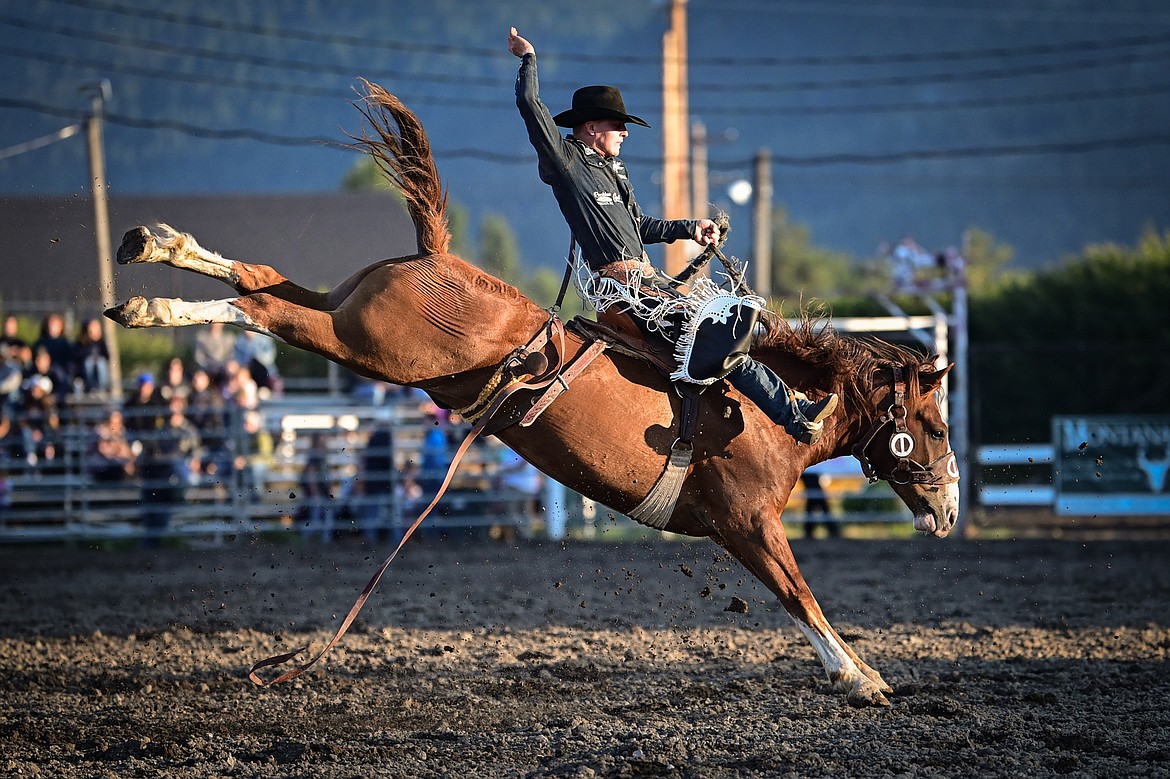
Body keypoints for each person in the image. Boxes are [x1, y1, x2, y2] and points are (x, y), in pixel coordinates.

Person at [507, 28, 836, 444]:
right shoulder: (567, 158)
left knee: (734, 323)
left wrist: (690, 228)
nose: (625, 132)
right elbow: (531, 107)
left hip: (647, 283)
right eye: (617, 125)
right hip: (621, 289)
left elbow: (642, 225)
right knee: (718, 335)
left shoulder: (615, 170)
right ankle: (794, 415)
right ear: (590, 128)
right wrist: (529, 59)